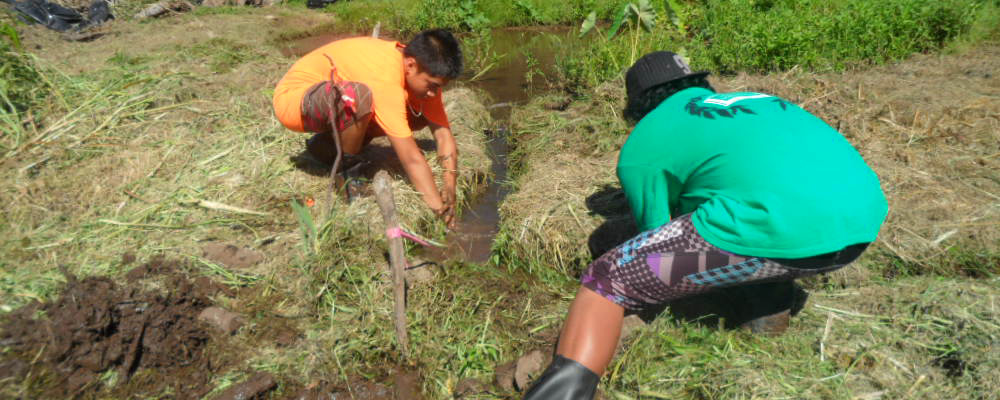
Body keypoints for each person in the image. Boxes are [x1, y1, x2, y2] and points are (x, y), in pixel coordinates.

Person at [522, 51, 889, 399]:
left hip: (779, 226)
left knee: (607, 280)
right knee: (738, 230)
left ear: (637, 104)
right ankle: (769, 301)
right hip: (858, 226)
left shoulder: (645, 140)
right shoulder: (755, 100)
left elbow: (654, 235)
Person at [273, 29, 462, 226]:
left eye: (439, 87)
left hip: (330, 99)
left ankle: (325, 146)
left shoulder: (421, 74)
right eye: (431, 85)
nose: (434, 93)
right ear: (411, 65)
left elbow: (443, 136)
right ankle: (347, 177)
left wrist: (449, 187)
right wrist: (439, 212)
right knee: (359, 97)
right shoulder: (384, 75)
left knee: (419, 113)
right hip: (296, 99)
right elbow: (412, 159)